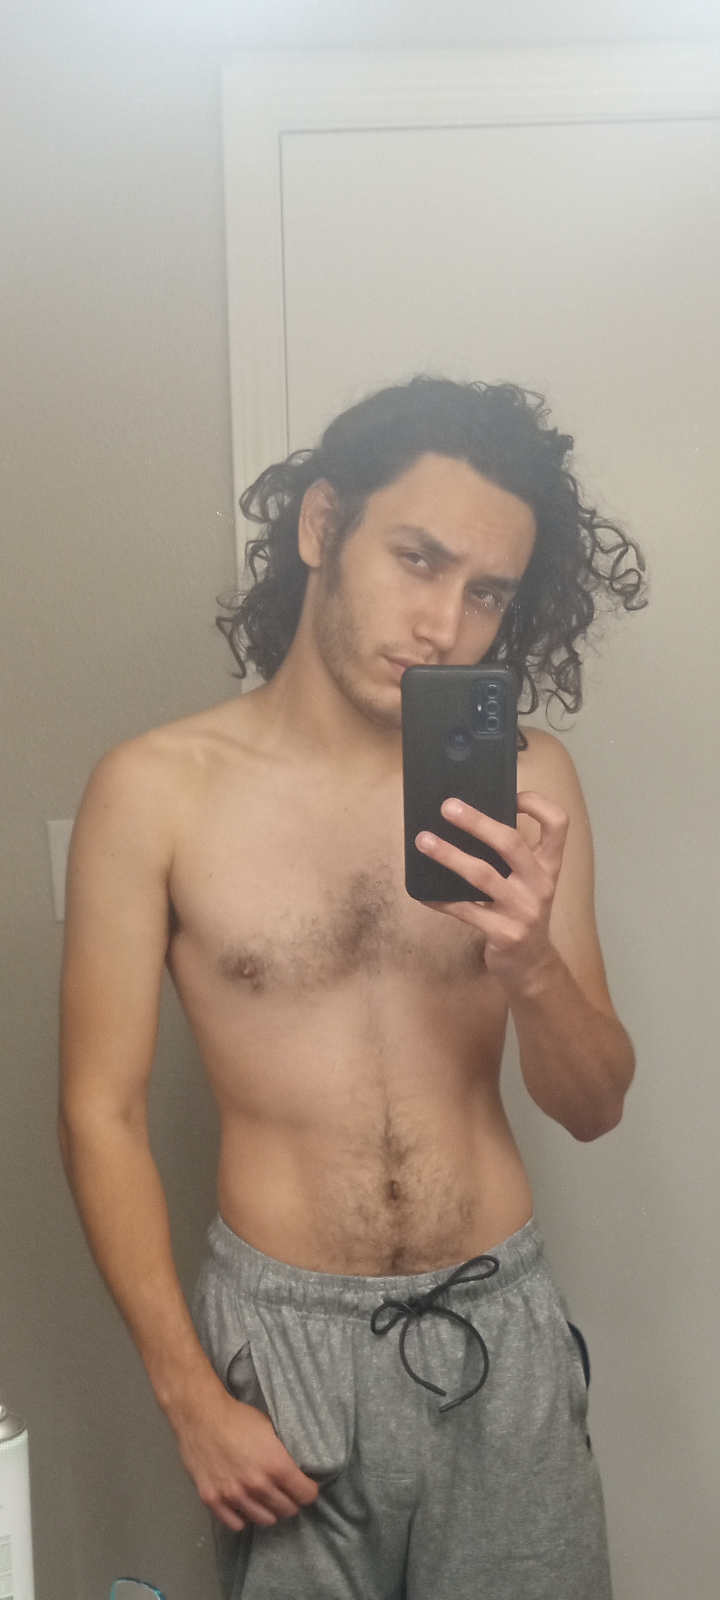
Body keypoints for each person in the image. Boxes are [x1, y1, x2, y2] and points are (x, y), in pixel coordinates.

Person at [59, 377, 645, 1600]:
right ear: (324, 525)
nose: (445, 624)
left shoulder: (531, 783)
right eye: (417, 559)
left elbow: (594, 1104)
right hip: (284, 1350)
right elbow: (100, 1111)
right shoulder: (156, 791)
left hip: (500, 1329)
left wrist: (530, 960)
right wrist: (189, 1395)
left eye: (487, 592)